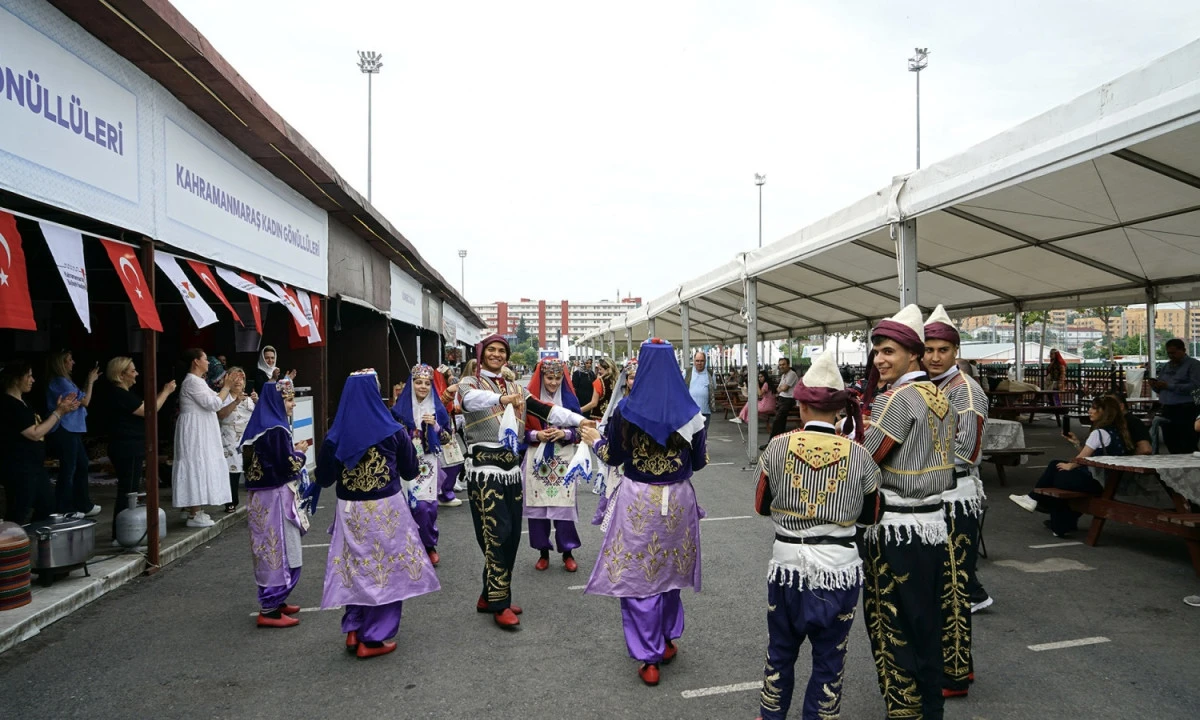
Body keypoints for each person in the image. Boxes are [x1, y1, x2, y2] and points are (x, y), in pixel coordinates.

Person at [752, 349, 880, 720]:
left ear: (802, 407)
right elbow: (871, 515)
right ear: (840, 411)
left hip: (788, 566)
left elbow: (761, 504)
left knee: (780, 653)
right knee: (829, 660)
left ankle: (771, 715)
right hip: (839, 570)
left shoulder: (777, 447)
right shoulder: (858, 454)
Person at [581, 338, 706, 687]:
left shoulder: (625, 410)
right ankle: (667, 639)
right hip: (678, 500)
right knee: (668, 570)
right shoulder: (692, 411)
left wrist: (594, 440)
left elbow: (614, 457)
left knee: (640, 576)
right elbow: (699, 462)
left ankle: (649, 655)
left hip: (639, 500)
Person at [858, 304, 956, 720]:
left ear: (912, 355)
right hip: (933, 525)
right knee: (927, 623)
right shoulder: (939, 395)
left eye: (889, 351)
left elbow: (865, 464)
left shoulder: (896, 400)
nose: (880, 359)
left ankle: (904, 711)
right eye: (877, 351)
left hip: (896, 529)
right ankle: (930, 708)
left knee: (890, 626)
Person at [458, 335, 590, 629]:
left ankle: (489, 596)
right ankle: (500, 602)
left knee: (513, 535)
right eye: (491, 350)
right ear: (482, 355)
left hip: (511, 471)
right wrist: (500, 399)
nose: (496, 354)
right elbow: (468, 402)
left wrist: (579, 422)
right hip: (484, 470)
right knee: (496, 535)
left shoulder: (518, 388)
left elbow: (547, 410)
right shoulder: (471, 384)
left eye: (501, 351)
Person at [317, 370, 440, 658]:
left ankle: (354, 627)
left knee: (355, 567)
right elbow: (411, 470)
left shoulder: (335, 434)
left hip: (349, 511)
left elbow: (323, 478)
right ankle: (373, 638)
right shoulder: (393, 431)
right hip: (386, 509)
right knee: (386, 570)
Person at [924, 305, 990, 699]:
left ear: (956, 351)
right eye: (929, 349)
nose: (935, 357)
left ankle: (955, 674)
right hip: (938, 494)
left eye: (942, 350)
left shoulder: (965, 390)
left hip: (956, 496)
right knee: (940, 586)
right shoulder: (934, 387)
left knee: (953, 587)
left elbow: (969, 450)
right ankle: (955, 664)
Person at [240, 379, 310, 628]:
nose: (292, 405)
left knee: (269, 548)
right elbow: (287, 466)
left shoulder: (258, 425)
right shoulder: (276, 429)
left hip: (261, 496)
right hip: (275, 497)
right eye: (289, 400)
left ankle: (276, 601)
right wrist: (300, 453)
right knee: (281, 548)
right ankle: (269, 607)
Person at [1009, 396, 1132, 537]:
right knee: (1058, 474)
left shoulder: (1098, 433)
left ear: (1103, 412)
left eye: (1093, 408)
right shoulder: (1117, 432)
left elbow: (1082, 458)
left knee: (1055, 469)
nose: (1089, 411)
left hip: (1095, 481)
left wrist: (1071, 466)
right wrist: (1076, 443)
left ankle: (1036, 500)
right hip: (1108, 481)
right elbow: (1090, 456)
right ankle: (1057, 521)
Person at [102, 358, 175, 541]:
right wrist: (165, 392)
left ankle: (121, 532)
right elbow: (149, 410)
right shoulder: (120, 394)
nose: (136, 374)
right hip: (127, 446)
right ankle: (120, 534)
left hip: (128, 445)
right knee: (128, 491)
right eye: (132, 371)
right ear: (121, 374)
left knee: (129, 489)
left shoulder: (123, 393)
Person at [523, 359, 585, 573]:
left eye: (558, 378)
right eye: (549, 378)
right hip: (536, 457)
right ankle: (543, 552)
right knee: (538, 508)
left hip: (563, 458)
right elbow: (518, 431)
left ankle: (568, 551)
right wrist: (536, 434)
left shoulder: (570, 401)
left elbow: (582, 430)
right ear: (541, 377)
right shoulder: (529, 400)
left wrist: (565, 433)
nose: (553, 382)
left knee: (563, 507)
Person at [2, 362, 79, 524]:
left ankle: (35, 541)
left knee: (47, 505)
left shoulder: (25, 403)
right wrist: (58, 412)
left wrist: (61, 412)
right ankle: (12, 544)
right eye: (28, 376)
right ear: (16, 379)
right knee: (19, 509)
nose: (33, 380)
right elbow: (34, 434)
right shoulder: (9, 405)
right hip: (19, 468)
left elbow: (43, 429)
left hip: (35, 466)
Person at [391, 364, 452, 567]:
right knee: (404, 506)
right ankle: (405, 547)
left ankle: (429, 546)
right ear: (412, 384)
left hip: (428, 463)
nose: (423, 387)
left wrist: (434, 426)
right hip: (404, 462)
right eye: (418, 382)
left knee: (426, 507)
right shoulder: (398, 410)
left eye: (427, 383)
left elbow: (446, 437)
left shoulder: (438, 409)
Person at [173, 349, 234, 528]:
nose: (208, 363)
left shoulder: (198, 381)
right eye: (206, 359)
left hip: (201, 426)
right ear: (196, 362)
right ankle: (194, 512)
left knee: (200, 463)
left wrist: (227, 390)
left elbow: (216, 400)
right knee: (195, 462)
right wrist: (226, 387)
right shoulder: (192, 381)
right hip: (195, 429)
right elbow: (214, 403)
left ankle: (193, 507)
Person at [45, 350, 102, 517]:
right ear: (61, 363)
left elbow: (81, 399)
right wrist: (90, 381)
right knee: (69, 468)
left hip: (73, 428)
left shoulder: (66, 381)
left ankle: (83, 503)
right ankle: (64, 508)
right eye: (70, 360)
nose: (73, 362)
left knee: (82, 464)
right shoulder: (59, 382)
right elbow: (85, 401)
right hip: (65, 427)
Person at [1150, 339, 1200, 453]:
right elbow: (1161, 384)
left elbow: (1196, 387)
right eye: (1169, 353)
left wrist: (1170, 386)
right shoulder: (1166, 366)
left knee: (1186, 442)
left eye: (1174, 353)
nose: (1171, 356)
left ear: (1183, 350)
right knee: (1170, 441)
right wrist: (1155, 385)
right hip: (1168, 408)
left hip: (1186, 409)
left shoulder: (1193, 365)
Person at [217, 368, 256, 513]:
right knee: (231, 471)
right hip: (229, 438)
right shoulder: (223, 397)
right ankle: (231, 502)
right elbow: (220, 414)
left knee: (250, 470)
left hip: (246, 439)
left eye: (242, 378)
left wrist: (256, 401)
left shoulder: (249, 400)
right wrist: (236, 401)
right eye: (236, 377)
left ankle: (255, 502)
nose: (239, 381)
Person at [434, 366, 465, 507]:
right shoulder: (434, 391)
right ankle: (443, 494)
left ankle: (445, 492)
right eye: (448, 376)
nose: (451, 377)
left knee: (455, 462)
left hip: (448, 431)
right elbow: (438, 407)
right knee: (448, 463)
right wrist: (447, 393)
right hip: (438, 432)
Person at [683, 351, 715, 432]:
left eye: (702, 361)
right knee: (690, 437)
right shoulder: (687, 372)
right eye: (697, 361)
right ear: (693, 361)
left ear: (705, 361)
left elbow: (713, 389)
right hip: (690, 413)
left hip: (705, 412)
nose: (699, 363)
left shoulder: (710, 373)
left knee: (703, 438)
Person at [769, 358, 800, 439]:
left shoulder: (792, 374)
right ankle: (777, 439)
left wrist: (781, 388)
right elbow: (778, 388)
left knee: (778, 420)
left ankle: (772, 440)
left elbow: (784, 388)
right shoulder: (783, 375)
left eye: (783, 364)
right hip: (782, 399)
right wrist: (781, 389)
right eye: (780, 365)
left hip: (789, 399)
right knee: (780, 421)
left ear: (788, 365)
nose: (781, 366)